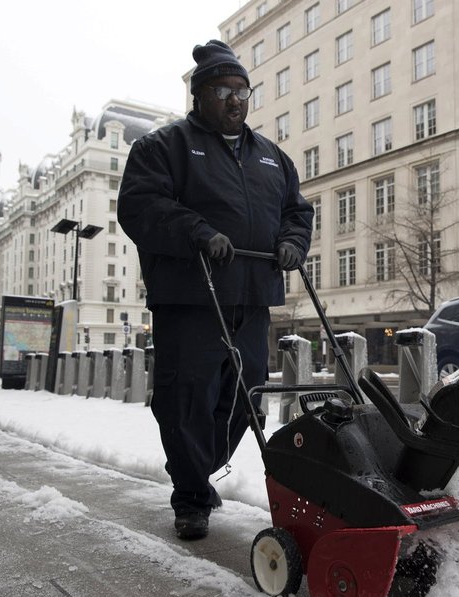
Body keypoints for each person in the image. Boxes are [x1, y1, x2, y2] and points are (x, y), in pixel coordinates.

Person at [118, 40, 313, 540]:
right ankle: (190, 496)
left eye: (242, 90)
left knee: (247, 399)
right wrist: (197, 232)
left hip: (253, 295)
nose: (235, 100)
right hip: (190, 298)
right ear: (199, 95)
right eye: (223, 90)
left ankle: (198, 470)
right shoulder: (164, 147)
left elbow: (296, 211)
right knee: (188, 399)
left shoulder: (272, 157)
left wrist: (292, 242)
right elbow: (139, 206)